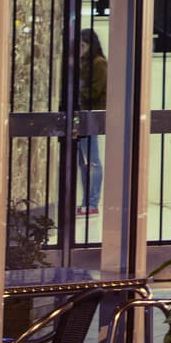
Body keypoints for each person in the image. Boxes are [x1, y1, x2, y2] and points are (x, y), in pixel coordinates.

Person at [76, 30, 108, 216]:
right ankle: (87, 201)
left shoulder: (98, 64)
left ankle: (93, 202)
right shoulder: (84, 64)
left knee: (92, 160)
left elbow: (95, 91)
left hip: (92, 115)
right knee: (84, 161)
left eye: (83, 46)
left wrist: (77, 92)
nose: (80, 50)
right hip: (83, 115)